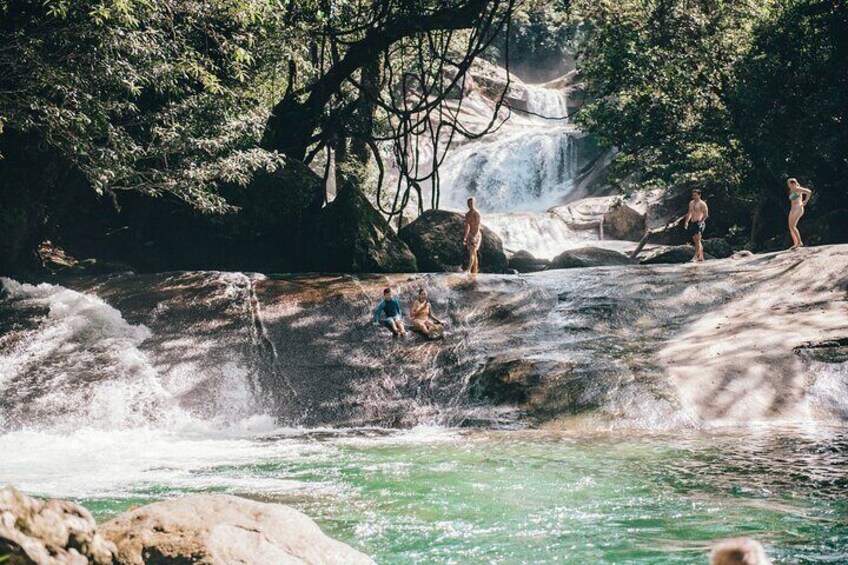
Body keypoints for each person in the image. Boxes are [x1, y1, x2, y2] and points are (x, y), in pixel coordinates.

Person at [684, 189, 709, 262]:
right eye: (693, 195)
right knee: (696, 240)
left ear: (699, 195)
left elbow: (706, 215)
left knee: (697, 240)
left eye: (695, 195)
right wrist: (686, 222)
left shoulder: (702, 204)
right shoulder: (691, 203)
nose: (693, 196)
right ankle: (701, 257)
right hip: (693, 222)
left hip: (699, 222)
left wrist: (701, 222)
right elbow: (689, 213)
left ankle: (695, 256)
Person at [786, 177, 812, 249]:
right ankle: (795, 243)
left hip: (798, 207)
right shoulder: (791, 191)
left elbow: (809, 192)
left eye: (791, 183)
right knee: (790, 227)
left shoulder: (798, 189)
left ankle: (799, 242)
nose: (789, 185)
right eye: (788, 184)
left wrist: (806, 200)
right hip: (792, 208)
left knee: (793, 226)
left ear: (794, 183)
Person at [462, 197, 482, 274]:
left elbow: (478, 226)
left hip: (476, 235)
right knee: (472, 253)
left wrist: (475, 237)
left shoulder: (476, 213)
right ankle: (474, 270)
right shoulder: (467, 214)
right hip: (470, 234)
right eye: (469, 203)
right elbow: (467, 226)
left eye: (472, 203)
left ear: (474, 203)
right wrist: (465, 237)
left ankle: (468, 270)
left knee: (472, 252)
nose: (470, 204)